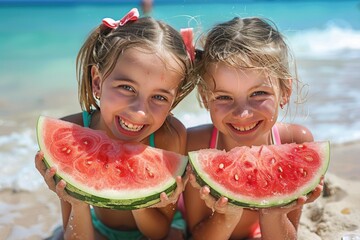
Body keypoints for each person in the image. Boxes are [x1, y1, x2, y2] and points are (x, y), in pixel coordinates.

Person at [35, 8, 195, 240]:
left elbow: (158, 232)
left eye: (159, 97)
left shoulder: (169, 136)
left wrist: (137, 190)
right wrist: (75, 201)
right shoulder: (74, 131)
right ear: (98, 82)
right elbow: (77, 234)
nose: (139, 111)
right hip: (97, 228)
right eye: (127, 88)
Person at [184, 17, 324, 240]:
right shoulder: (195, 145)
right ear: (204, 97)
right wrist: (226, 216)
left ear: (285, 91)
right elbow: (195, 234)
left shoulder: (296, 141)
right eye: (223, 97)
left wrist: (273, 214)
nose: (242, 114)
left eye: (258, 94)